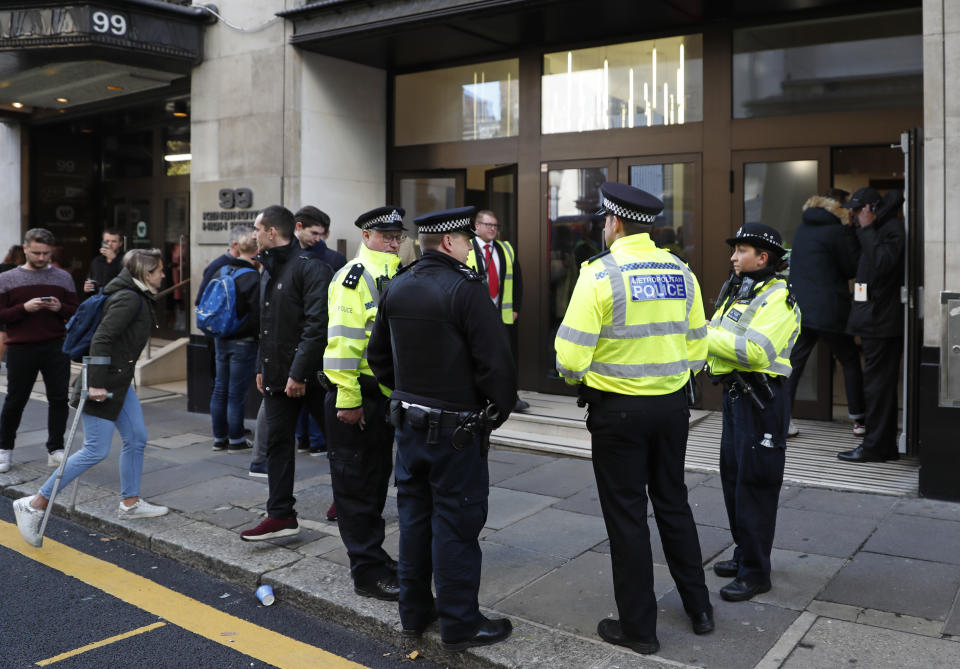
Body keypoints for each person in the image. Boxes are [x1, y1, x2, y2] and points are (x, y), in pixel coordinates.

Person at [555, 182, 713, 655]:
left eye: (604, 221)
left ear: (615, 223)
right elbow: (698, 345)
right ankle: (699, 607)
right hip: (671, 409)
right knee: (673, 503)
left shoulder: (599, 274)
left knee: (627, 517)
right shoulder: (681, 271)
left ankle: (640, 630)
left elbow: (569, 357)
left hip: (618, 413)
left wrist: (580, 377)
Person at [367, 206, 517, 652]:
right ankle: (460, 624)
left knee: (414, 521)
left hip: (409, 426)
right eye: (467, 241)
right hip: (457, 431)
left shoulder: (398, 285)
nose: (471, 248)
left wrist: (410, 394)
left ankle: (413, 615)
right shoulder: (465, 289)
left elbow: (379, 359)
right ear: (449, 242)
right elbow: (497, 367)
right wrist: (495, 411)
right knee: (456, 524)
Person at [12, 248, 170, 545]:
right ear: (146, 273)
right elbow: (102, 339)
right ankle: (34, 503)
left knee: (136, 437)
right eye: (160, 270)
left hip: (119, 382)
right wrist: (96, 384)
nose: (164, 274)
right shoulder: (128, 298)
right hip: (104, 384)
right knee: (95, 450)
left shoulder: (136, 295)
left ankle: (130, 503)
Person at [706, 222, 801, 603]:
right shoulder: (742, 290)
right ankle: (745, 553)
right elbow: (725, 336)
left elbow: (755, 351)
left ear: (763, 257)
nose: (733, 257)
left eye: (741, 250)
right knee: (734, 479)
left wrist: (701, 333)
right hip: (736, 396)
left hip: (762, 401)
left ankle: (756, 572)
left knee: (756, 485)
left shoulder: (778, 298)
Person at [322, 206, 405, 601]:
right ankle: (367, 575)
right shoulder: (353, 278)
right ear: (367, 236)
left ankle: (375, 556)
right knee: (355, 491)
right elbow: (341, 346)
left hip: (382, 397)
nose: (393, 241)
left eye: (398, 236)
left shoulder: (393, 273)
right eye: (385, 235)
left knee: (373, 485)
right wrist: (348, 398)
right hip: (356, 398)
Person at [239, 205, 332, 541]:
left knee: (339, 443)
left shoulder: (310, 268)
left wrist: (299, 373)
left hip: (311, 376)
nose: (253, 234)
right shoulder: (268, 269)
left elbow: (315, 326)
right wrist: (262, 367)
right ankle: (280, 514)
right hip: (277, 374)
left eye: (257, 228)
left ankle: (352, 505)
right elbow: (266, 325)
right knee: (278, 443)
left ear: (272, 232)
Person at [0, 228, 79, 474]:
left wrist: (59, 307)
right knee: (15, 400)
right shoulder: (8, 278)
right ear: (25, 249)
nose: (42, 258)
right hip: (21, 347)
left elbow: (75, 310)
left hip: (55, 345)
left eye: (46, 253)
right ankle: (4, 450)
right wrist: (24, 308)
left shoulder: (63, 277)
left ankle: (55, 449)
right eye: (36, 253)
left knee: (58, 398)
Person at [787, 192, 865, 438]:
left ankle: (782, 420)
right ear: (838, 207)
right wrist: (853, 234)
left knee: (794, 364)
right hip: (829, 309)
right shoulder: (835, 231)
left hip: (802, 308)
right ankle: (859, 419)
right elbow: (851, 268)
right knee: (850, 359)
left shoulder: (803, 227)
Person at [837, 187, 906, 463]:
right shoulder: (876, 229)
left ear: (871, 208)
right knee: (878, 387)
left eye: (857, 210)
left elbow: (880, 264)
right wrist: (855, 230)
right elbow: (858, 263)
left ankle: (875, 447)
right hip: (874, 319)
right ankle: (882, 445)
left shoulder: (890, 229)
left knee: (877, 388)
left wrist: (865, 229)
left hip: (882, 322)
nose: (853, 215)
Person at [293, 205, 346, 456]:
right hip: (301, 334)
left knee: (315, 385)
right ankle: (305, 438)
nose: (319, 239)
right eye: (315, 233)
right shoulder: (292, 257)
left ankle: (314, 440)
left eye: (322, 234)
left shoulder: (333, 259)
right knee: (303, 385)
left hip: (321, 333)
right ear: (298, 227)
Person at [466, 209, 528, 412]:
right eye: (488, 225)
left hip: (501, 314)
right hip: (475, 315)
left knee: (504, 356)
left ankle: (510, 397)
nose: (493, 229)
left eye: (495, 225)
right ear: (477, 226)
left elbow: (517, 280)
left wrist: (516, 308)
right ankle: (478, 396)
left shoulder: (505, 249)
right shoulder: (466, 247)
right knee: (475, 356)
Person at [208, 229, 259, 454]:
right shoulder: (252, 277)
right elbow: (257, 314)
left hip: (221, 338)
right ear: (256, 251)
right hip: (243, 341)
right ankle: (236, 439)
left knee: (220, 388)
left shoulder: (222, 270)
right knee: (236, 393)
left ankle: (220, 438)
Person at [83, 229, 123, 296]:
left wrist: (114, 260)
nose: (110, 244)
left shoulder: (126, 259)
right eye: (107, 241)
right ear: (102, 242)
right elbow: (91, 281)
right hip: (98, 300)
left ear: (120, 243)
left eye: (114, 241)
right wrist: (87, 289)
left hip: (117, 299)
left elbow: (125, 280)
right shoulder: (97, 261)